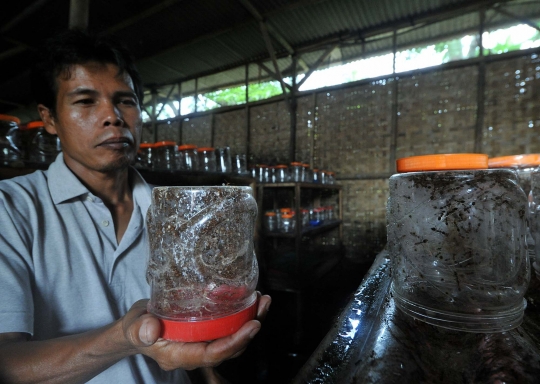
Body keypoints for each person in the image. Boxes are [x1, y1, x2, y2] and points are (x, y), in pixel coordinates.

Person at [0, 29, 271, 383]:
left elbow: (195, 308)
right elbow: (6, 365)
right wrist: (127, 338)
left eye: (125, 101)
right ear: (49, 118)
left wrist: (210, 371)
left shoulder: (175, 212)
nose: (112, 116)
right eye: (85, 101)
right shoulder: (11, 209)